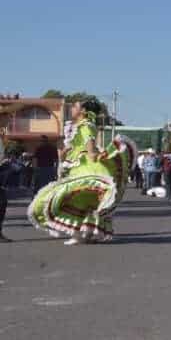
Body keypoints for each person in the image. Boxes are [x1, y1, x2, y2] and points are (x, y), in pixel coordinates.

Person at [27, 100, 135, 244]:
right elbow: (77, 148)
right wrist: (66, 153)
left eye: (75, 106)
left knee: (73, 197)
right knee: (80, 199)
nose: (72, 108)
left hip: (86, 167)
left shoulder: (86, 126)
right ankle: (84, 233)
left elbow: (90, 149)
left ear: (83, 111)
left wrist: (97, 155)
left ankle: (82, 234)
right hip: (79, 166)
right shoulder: (79, 127)